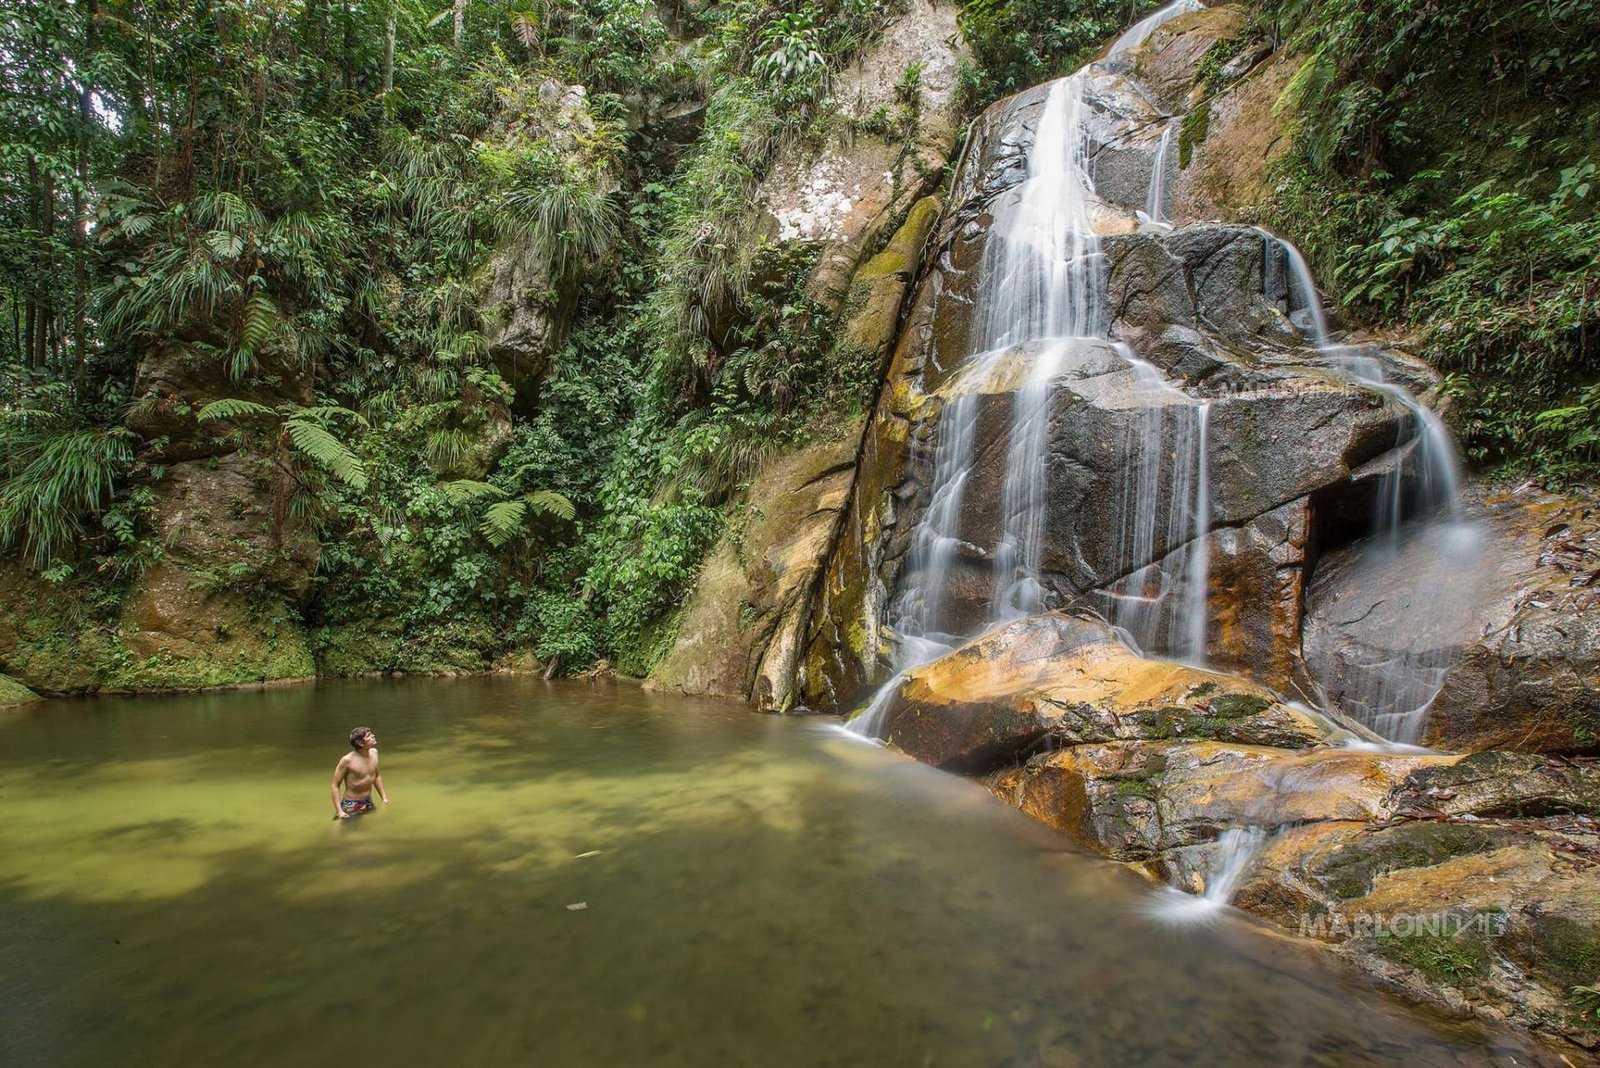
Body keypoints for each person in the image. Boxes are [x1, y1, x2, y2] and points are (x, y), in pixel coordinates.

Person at [331, 726, 389, 819]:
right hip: (351, 805)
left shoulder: (374, 753)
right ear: (361, 743)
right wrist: (339, 811)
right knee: (344, 830)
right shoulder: (347, 760)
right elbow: (335, 785)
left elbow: (376, 775)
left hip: (367, 801)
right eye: (369, 736)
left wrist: (383, 797)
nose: (373, 736)